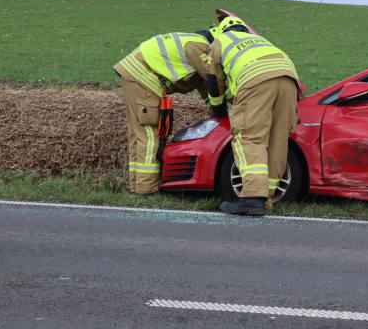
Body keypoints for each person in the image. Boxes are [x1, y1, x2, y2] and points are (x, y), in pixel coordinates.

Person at [206, 16, 301, 215]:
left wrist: (218, 109)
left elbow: (214, 81)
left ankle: (251, 198)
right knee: (278, 139)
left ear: (222, 30)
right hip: (289, 80)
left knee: (250, 137)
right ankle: (267, 198)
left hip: (255, 80)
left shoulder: (220, 41)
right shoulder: (261, 40)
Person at [113, 29, 217, 195]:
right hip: (145, 79)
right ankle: (147, 189)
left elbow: (206, 88)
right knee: (150, 135)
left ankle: (136, 185)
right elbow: (212, 79)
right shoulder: (200, 46)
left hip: (133, 74)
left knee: (137, 133)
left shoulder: (189, 40)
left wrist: (215, 108)